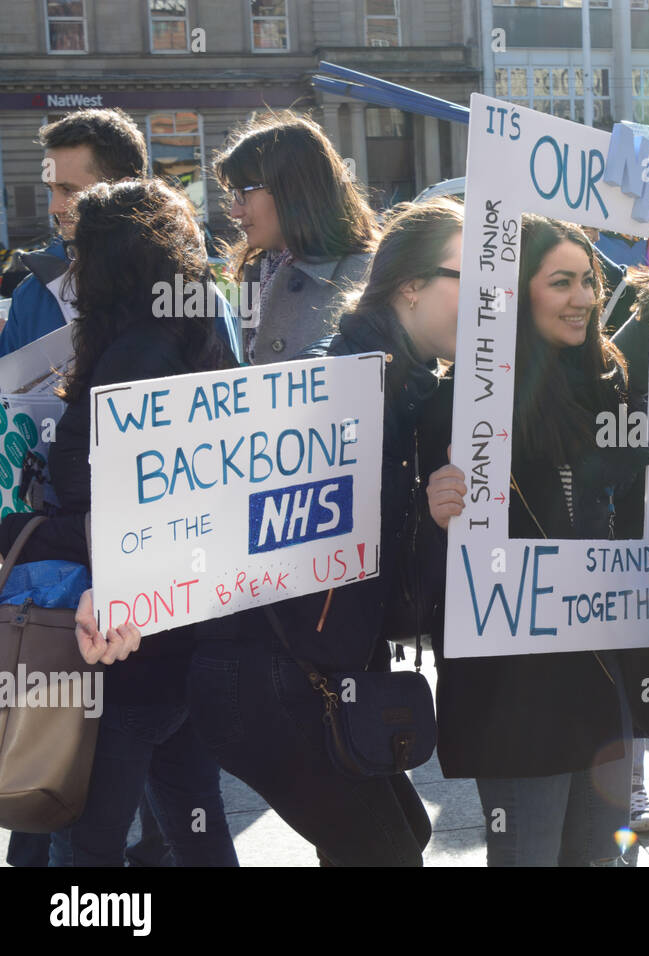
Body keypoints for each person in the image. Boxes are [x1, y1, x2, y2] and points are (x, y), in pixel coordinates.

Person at [175, 199, 466, 867]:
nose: (488, 302)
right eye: (470, 281)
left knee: (399, 841)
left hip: (316, 671)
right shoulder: (338, 386)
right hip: (263, 678)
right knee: (387, 854)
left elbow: (382, 563)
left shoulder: (407, 387)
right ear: (411, 286)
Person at [425, 215, 649, 866]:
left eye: (589, 282)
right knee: (529, 854)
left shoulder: (610, 386)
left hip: (604, 676)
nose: (582, 297)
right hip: (517, 693)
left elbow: (631, 512)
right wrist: (434, 513)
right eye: (561, 282)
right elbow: (428, 574)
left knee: (600, 858)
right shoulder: (462, 402)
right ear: (517, 292)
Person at [3, 179, 239, 867]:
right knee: (194, 820)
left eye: (81, 251)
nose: (72, 268)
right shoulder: (193, 330)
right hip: (184, 624)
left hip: (116, 638)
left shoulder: (135, 354)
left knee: (92, 839)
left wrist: (15, 532)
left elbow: (117, 517)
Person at [0, 108, 240, 362]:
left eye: (68, 190)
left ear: (122, 190)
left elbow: (226, 391)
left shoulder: (186, 288)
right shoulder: (31, 295)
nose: (54, 207)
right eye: (51, 190)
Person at [213, 113, 377, 364]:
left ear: (291, 189)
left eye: (242, 193)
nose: (234, 211)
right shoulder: (260, 274)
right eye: (232, 195)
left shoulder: (367, 277)